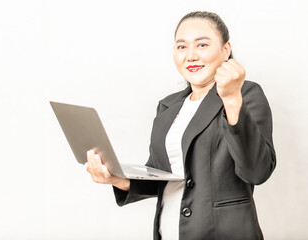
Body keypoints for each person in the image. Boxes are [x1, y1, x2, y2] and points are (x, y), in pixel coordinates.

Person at [85, 11, 276, 240]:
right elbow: (162, 179)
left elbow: (257, 171)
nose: (191, 56)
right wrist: (116, 178)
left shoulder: (247, 94)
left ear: (226, 50)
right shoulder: (168, 107)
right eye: (181, 47)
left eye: (202, 45)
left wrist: (232, 100)